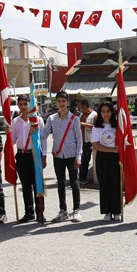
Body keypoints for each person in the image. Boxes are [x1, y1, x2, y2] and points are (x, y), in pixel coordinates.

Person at [42, 91, 83, 222]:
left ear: (67, 102)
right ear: (56, 103)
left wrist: (78, 156)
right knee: (60, 183)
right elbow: (44, 134)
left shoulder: (74, 119)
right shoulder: (51, 119)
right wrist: (34, 129)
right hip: (58, 154)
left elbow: (79, 139)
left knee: (74, 182)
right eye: (59, 101)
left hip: (71, 154)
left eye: (63, 101)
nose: (61, 103)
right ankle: (63, 210)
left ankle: (76, 210)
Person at [11, 100, 45, 223]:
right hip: (21, 155)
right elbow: (13, 140)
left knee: (37, 184)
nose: (23, 107)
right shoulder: (15, 121)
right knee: (25, 186)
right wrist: (9, 134)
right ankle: (28, 212)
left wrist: (44, 155)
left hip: (34, 155)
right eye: (21, 104)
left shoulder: (37, 120)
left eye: (26, 104)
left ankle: (40, 212)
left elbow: (43, 139)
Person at [91, 102, 122, 220]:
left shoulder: (117, 126)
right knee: (104, 184)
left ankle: (117, 211)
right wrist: (112, 150)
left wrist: (116, 151)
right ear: (100, 113)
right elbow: (95, 145)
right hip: (102, 157)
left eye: (108, 111)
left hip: (115, 158)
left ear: (112, 112)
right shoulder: (97, 127)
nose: (105, 114)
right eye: (103, 111)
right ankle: (107, 211)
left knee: (115, 183)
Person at [77, 98, 95, 184]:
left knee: (85, 159)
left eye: (80, 106)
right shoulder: (81, 115)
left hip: (90, 141)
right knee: (82, 159)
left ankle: (82, 177)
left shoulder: (94, 115)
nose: (79, 108)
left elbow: (97, 127)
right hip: (81, 140)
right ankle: (81, 177)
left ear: (84, 106)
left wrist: (85, 124)